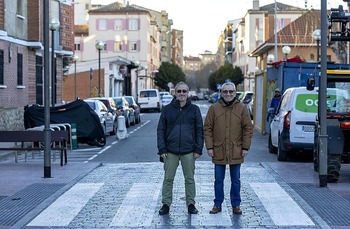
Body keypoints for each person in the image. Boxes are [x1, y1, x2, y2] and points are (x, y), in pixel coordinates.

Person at [204, 82, 253, 215]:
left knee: (235, 180)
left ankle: (236, 205)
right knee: (218, 180)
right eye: (225, 91)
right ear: (221, 93)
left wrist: (245, 147)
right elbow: (207, 128)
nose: (228, 94)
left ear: (235, 93)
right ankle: (217, 204)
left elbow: (248, 128)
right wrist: (209, 147)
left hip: (236, 149)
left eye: (231, 91)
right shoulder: (214, 108)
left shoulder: (242, 109)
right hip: (218, 149)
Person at [157, 81, 204, 215]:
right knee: (168, 179)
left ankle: (190, 204)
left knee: (189, 179)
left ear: (188, 93)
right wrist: (162, 150)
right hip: (170, 151)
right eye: (179, 91)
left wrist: (198, 149)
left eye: (184, 91)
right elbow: (160, 130)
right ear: (175, 93)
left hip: (188, 151)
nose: (182, 94)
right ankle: (166, 204)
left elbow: (199, 130)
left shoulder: (194, 109)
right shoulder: (167, 110)